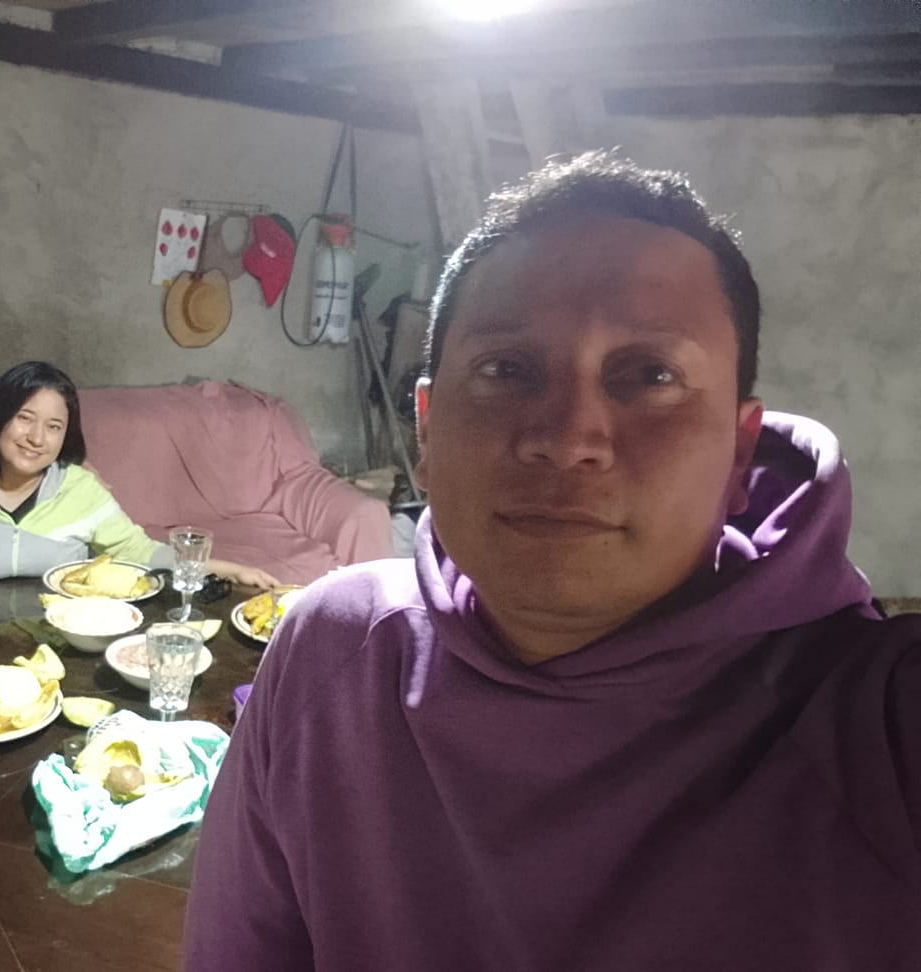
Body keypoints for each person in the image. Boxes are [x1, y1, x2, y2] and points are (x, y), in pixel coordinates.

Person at [183, 152, 921, 969]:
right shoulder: (338, 653)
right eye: (506, 369)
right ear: (426, 429)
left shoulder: (872, 726)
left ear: (741, 452)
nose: (567, 439)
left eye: (650, 375)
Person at [0, 360, 280, 589]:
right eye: (24, 418)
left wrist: (233, 570)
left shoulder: (80, 489)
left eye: (54, 426)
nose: (36, 438)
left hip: (60, 640)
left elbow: (140, 552)